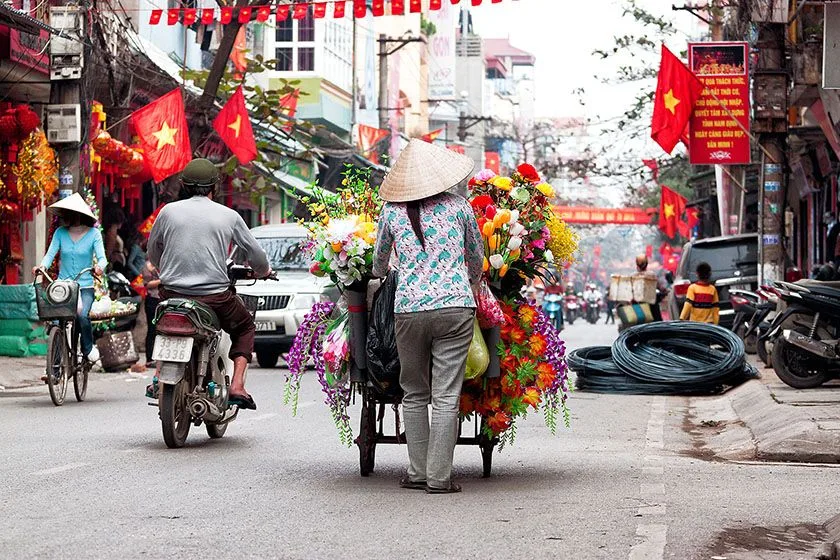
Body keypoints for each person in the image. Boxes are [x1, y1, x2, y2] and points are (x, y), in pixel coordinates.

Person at [372, 139, 483, 494]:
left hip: (408, 309)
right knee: (446, 395)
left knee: (414, 392)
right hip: (455, 307)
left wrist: (392, 268)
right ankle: (439, 478)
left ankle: (418, 472)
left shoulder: (391, 212)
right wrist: (470, 282)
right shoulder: (460, 207)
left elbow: (378, 263)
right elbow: (475, 258)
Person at [147, 158, 271, 410]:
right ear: (214, 186)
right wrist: (264, 271)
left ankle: (158, 375)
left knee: (163, 325)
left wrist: (167, 269)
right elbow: (257, 257)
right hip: (214, 298)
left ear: (183, 184)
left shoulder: (167, 212)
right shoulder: (229, 215)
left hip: (171, 294)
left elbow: (153, 251)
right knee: (245, 326)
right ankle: (237, 385)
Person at [34, 193, 107, 363]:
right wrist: (42, 267)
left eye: (73, 213)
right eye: (68, 213)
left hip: (84, 287)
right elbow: (50, 254)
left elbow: (102, 259)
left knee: (82, 316)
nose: (70, 216)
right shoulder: (60, 232)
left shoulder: (94, 234)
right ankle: (56, 365)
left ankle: (87, 348)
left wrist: (99, 268)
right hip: (63, 287)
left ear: (81, 214)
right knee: (56, 320)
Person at [142, 259, 161, 368]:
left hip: (162, 299)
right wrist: (162, 280)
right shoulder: (148, 266)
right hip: (152, 300)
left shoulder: (164, 263)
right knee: (152, 329)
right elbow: (147, 284)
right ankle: (149, 359)